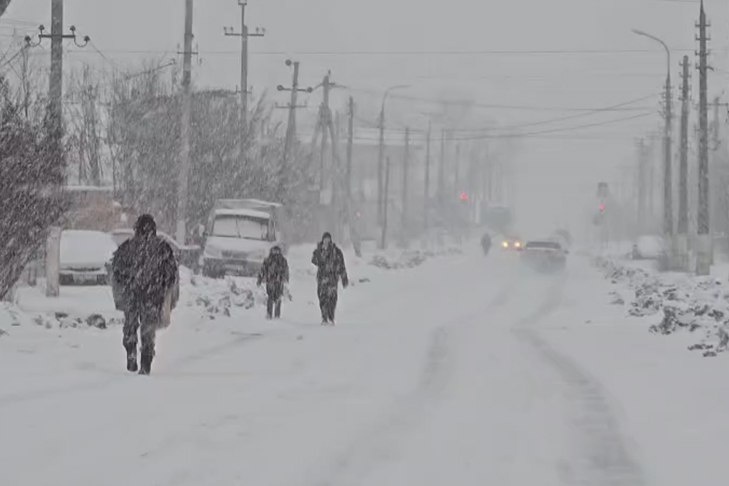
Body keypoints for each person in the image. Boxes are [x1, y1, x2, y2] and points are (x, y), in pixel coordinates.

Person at [111, 214, 179, 375]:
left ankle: (131, 351)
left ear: (136, 229)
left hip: (132, 294)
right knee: (148, 330)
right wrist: (162, 287)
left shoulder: (127, 247)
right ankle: (145, 363)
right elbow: (171, 273)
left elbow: (117, 270)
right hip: (153, 295)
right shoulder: (163, 248)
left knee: (130, 324)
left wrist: (128, 283)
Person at [311, 232, 348, 325]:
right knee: (322, 298)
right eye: (325, 239)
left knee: (332, 298)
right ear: (323, 240)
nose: (326, 241)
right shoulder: (319, 250)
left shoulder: (336, 251)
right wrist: (319, 252)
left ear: (331, 240)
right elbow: (314, 260)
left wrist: (344, 277)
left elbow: (341, 265)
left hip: (332, 278)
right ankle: (324, 317)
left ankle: (331, 316)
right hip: (322, 278)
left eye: (328, 239)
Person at [257, 246, 289, 319]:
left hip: (278, 281)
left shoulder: (282, 261)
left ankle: (276, 315)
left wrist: (284, 278)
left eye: (277, 252)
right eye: (274, 251)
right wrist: (260, 278)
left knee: (277, 297)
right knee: (271, 297)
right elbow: (263, 270)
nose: (276, 254)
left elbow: (286, 270)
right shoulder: (268, 260)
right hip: (271, 281)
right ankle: (270, 314)